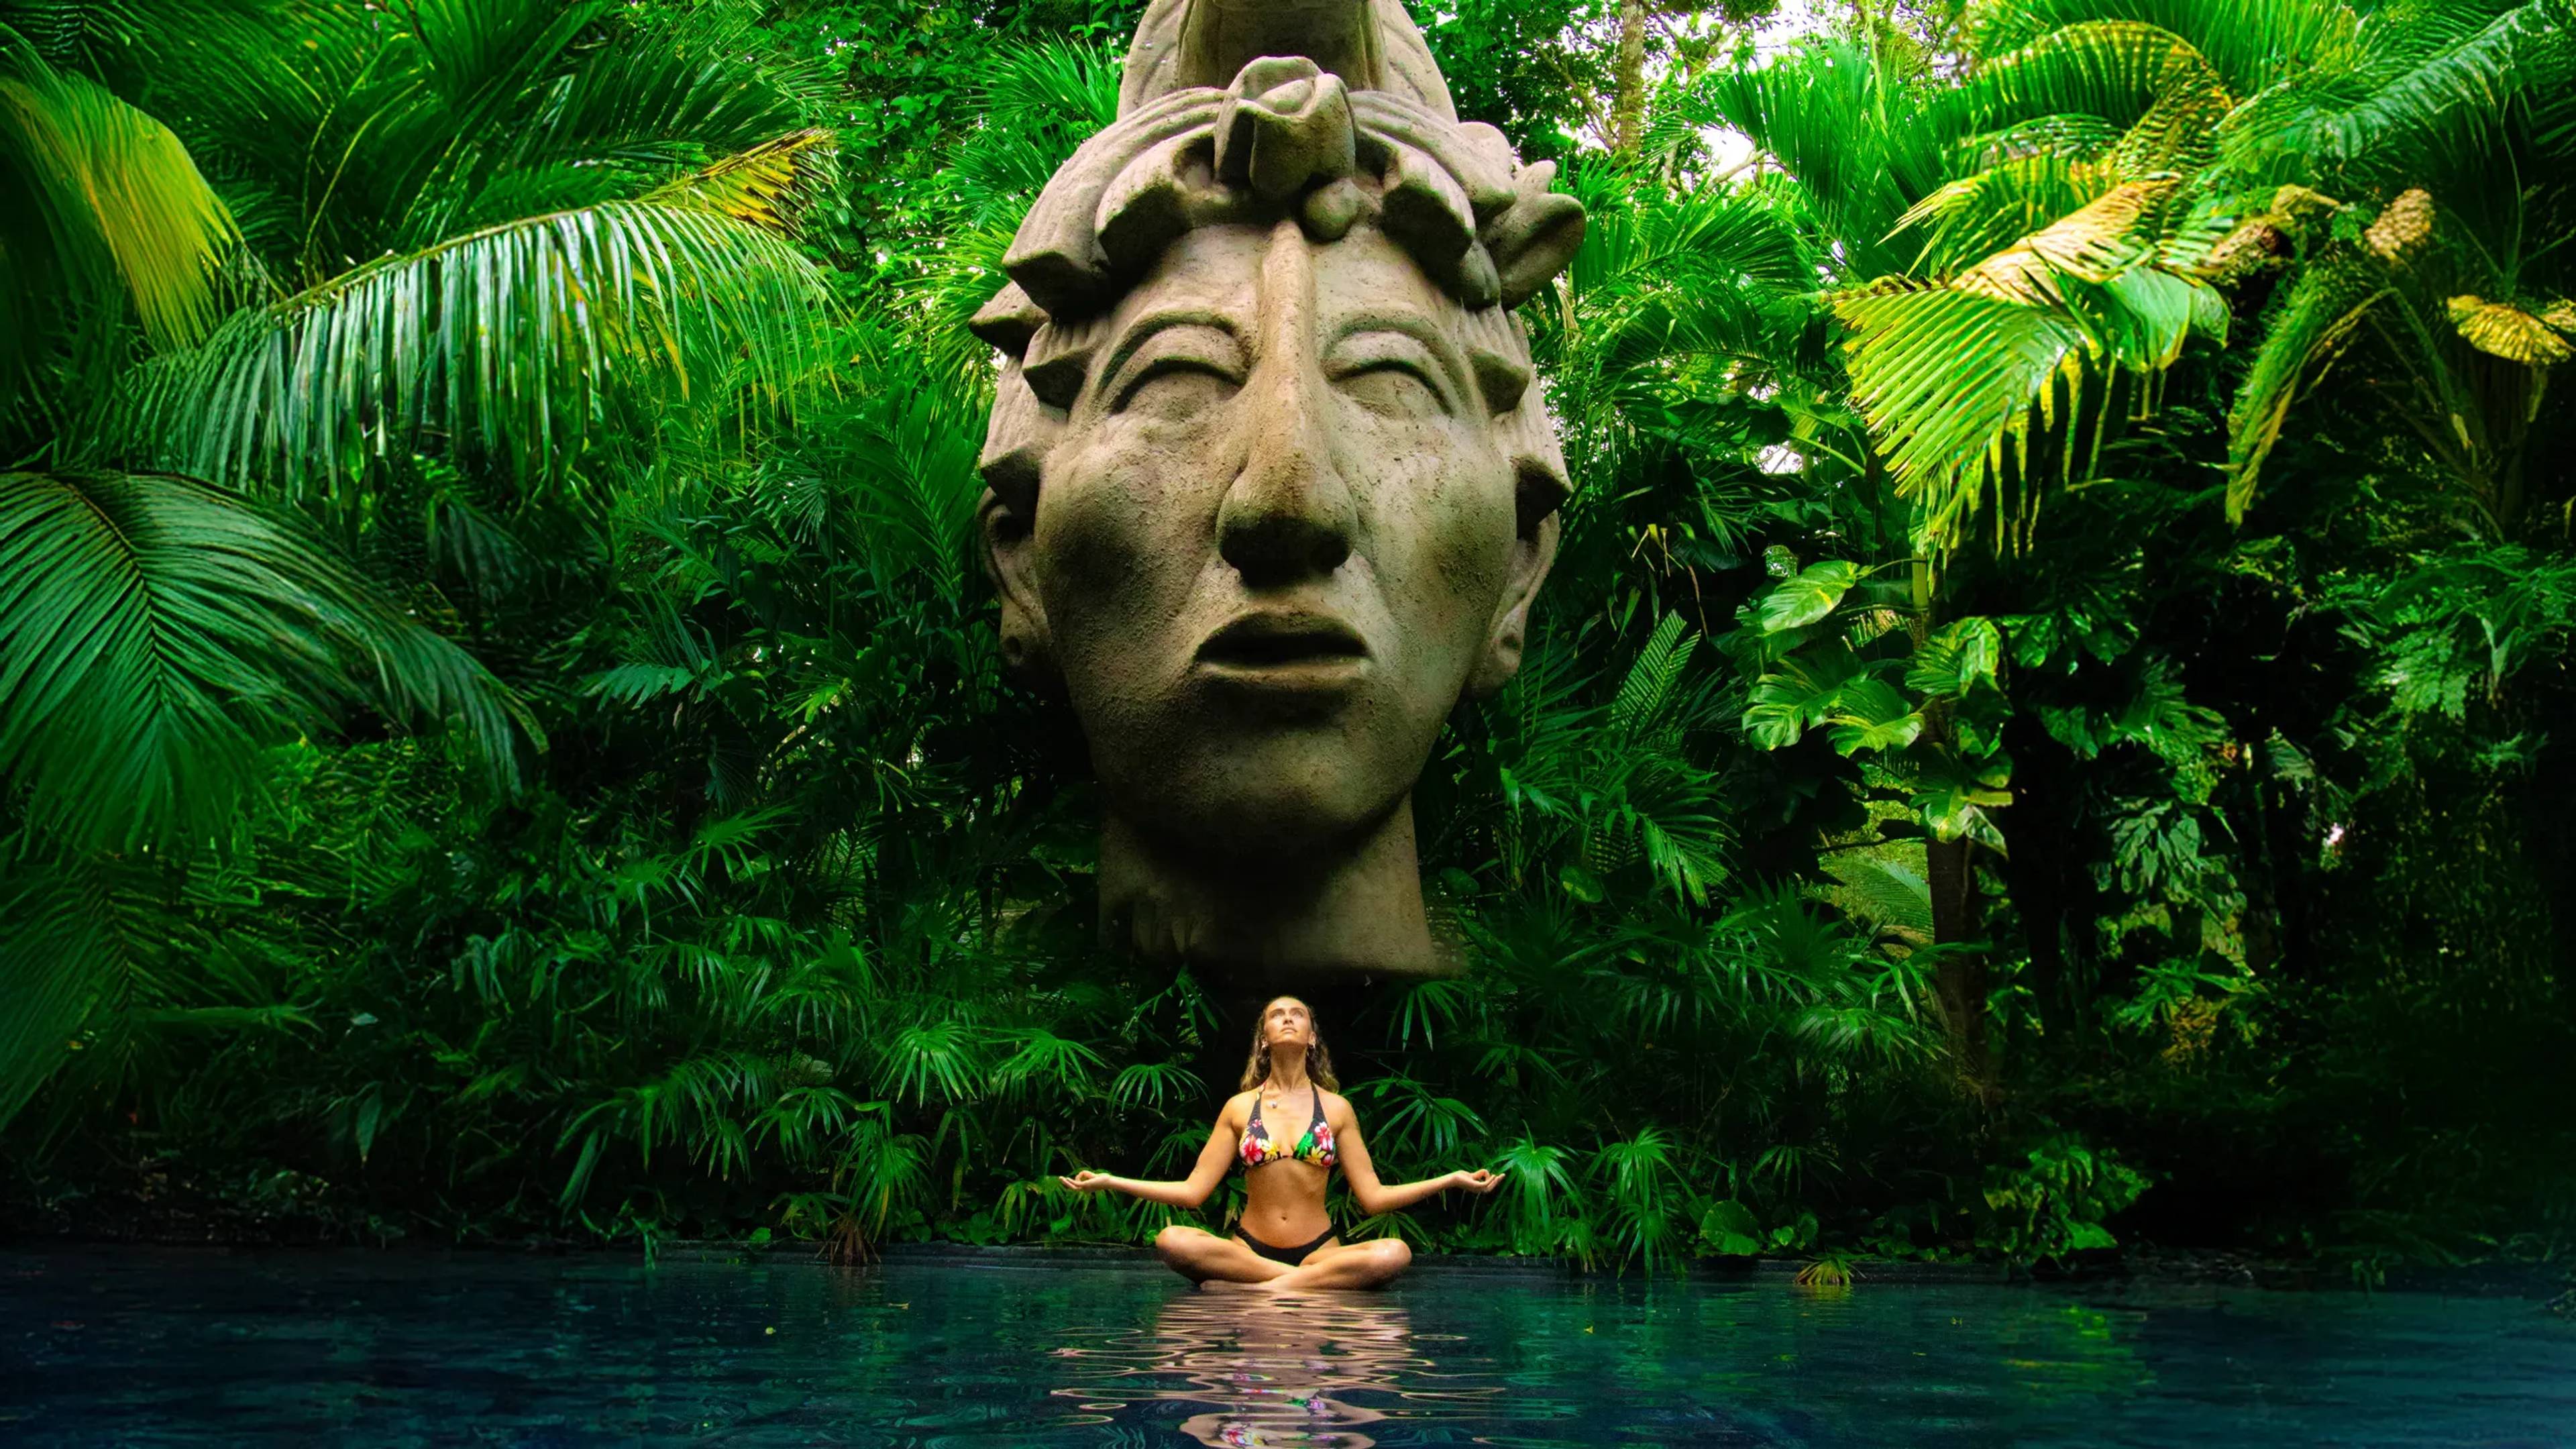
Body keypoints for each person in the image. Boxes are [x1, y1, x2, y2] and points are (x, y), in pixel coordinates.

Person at [1059, 996, 1502, 1290]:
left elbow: (1374, 1197)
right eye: (1277, 1014)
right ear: (1264, 1038)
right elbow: (1193, 1192)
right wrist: (1111, 1180)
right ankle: (1297, 1285)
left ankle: (1267, 1288)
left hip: (1319, 1251)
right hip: (1249, 1249)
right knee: (1173, 1240)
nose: (1287, 1018)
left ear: (1311, 1037)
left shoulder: (1337, 1109)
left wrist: (1450, 1180)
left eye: (1298, 1014)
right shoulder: (1238, 1108)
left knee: (1394, 1252)